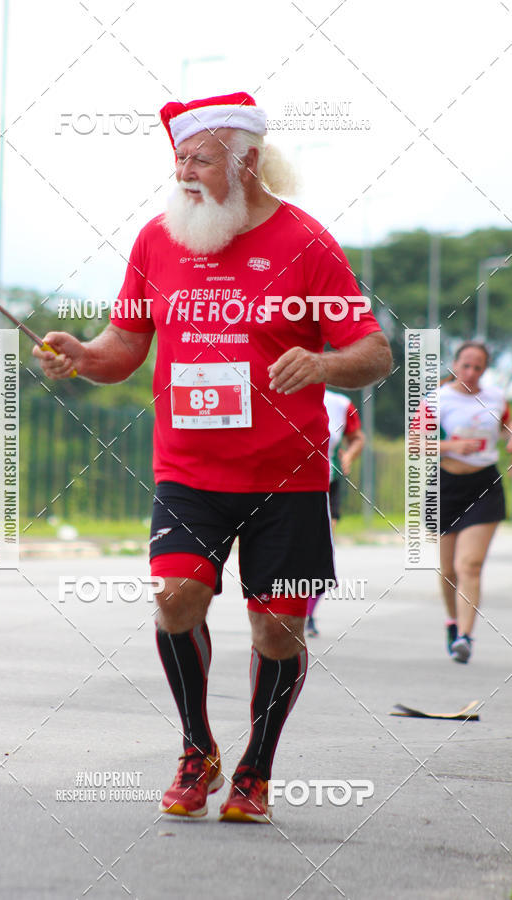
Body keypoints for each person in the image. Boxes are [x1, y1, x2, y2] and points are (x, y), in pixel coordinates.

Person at [33, 92, 392, 822]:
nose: (184, 173)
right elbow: (124, 346)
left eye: (199, 158)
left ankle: (257, 767)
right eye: (178, 161)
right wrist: (82, 355)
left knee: (277, 628)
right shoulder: (158, 241)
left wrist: (321, 367)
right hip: (189, 471)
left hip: (287, 479)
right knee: (174, 599)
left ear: (248, 161)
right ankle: (198, 749)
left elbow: (374, 352)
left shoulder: (307, 243)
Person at [438, 341, 512, 663]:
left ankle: (466, 638)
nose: (470, 373)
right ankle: (453, 623)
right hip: (445, 486)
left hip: (484, 485)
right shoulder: (436, 398)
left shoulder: (496, 398)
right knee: (448, 570)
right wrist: (450, 446)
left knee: (469, 564)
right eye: (465, 365)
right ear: (454, 364)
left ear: (485, 369)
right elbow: (416, 443)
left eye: (477, 367)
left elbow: (508, 429)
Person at [305, 390, 365, 636]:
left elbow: (357, 437)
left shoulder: (340, 404)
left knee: (319, 550)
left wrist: (349, 455)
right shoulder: (274, 391)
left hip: (327, 484)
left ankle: (308, 614)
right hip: (282, 486)